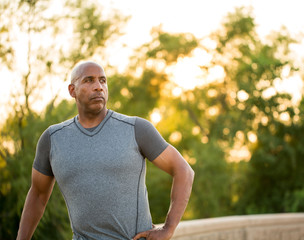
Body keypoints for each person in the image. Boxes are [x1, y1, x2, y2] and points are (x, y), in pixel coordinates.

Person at [16, 61, 195, 240]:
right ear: (72, 90)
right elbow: (38, 195)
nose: (98, 87)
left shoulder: (136, 129)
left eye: (103, 81)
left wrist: (168, 228)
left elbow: (183, 171)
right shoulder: (52, 139)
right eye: (89, 80)